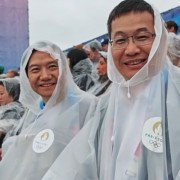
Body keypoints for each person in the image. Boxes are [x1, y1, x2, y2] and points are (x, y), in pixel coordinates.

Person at [40, 0, 180, 180]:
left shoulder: (175, 90)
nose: (131, 49)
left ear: (160, 40)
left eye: (142, 37)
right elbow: (79, 161)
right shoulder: (106, 105)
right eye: (120, 40)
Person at [0, 41, 97, 180]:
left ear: (64, 69)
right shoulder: (34, 110)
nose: (45, 75)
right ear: (27, 77)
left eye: (52, 66)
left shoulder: (87, 105)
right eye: (35, 70)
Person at [0, 78, 25, 147]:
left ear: (14, 93)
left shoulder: (13, 111)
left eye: (1, 94)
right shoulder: (5, 107)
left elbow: (1, 130)